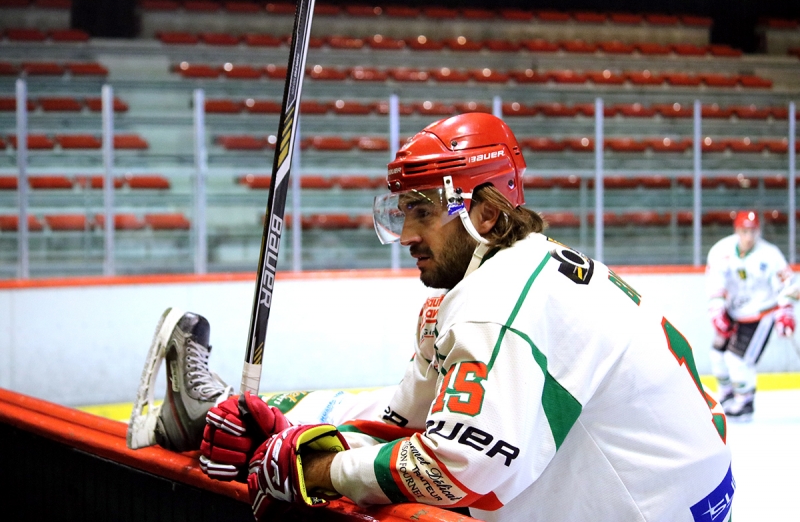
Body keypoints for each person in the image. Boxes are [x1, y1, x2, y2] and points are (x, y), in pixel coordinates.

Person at [129, 113, 734, 522]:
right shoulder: (495, 285)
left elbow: (460, 465)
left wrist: (315, 467)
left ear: (488, 214)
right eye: (403, 210)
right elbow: (403, 416)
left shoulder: (498, 306)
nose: (408, 234)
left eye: (423, 211)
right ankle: (212, 407)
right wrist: (282, 423)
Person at [706, 210, 797, 422]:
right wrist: (717, 309)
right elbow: (714, 283)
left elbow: (789, 286)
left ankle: (745, 402)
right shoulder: (721, 251)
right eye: (745, 231)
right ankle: (727, 396)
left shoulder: (770, 255)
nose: (749, 236)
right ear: (737, 230)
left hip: (760, 315)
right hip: (733, 312)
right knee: (717, 356)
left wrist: (785, 312)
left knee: (736, 360)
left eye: (753, 231)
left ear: (759, 231)